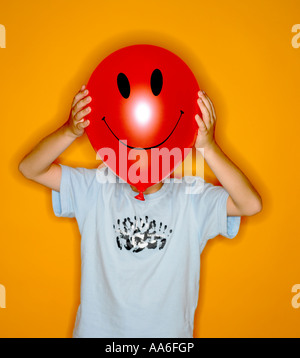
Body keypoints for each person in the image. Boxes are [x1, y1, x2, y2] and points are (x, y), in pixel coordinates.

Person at [18, 85, 262, 338]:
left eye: (150, 145)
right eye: (131, 144)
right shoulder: (95, 187)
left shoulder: (192, 198)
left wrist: (208, 147)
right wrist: (69, 131)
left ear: (170, 147)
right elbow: (30, 168)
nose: (139, 156)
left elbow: (250, 205)